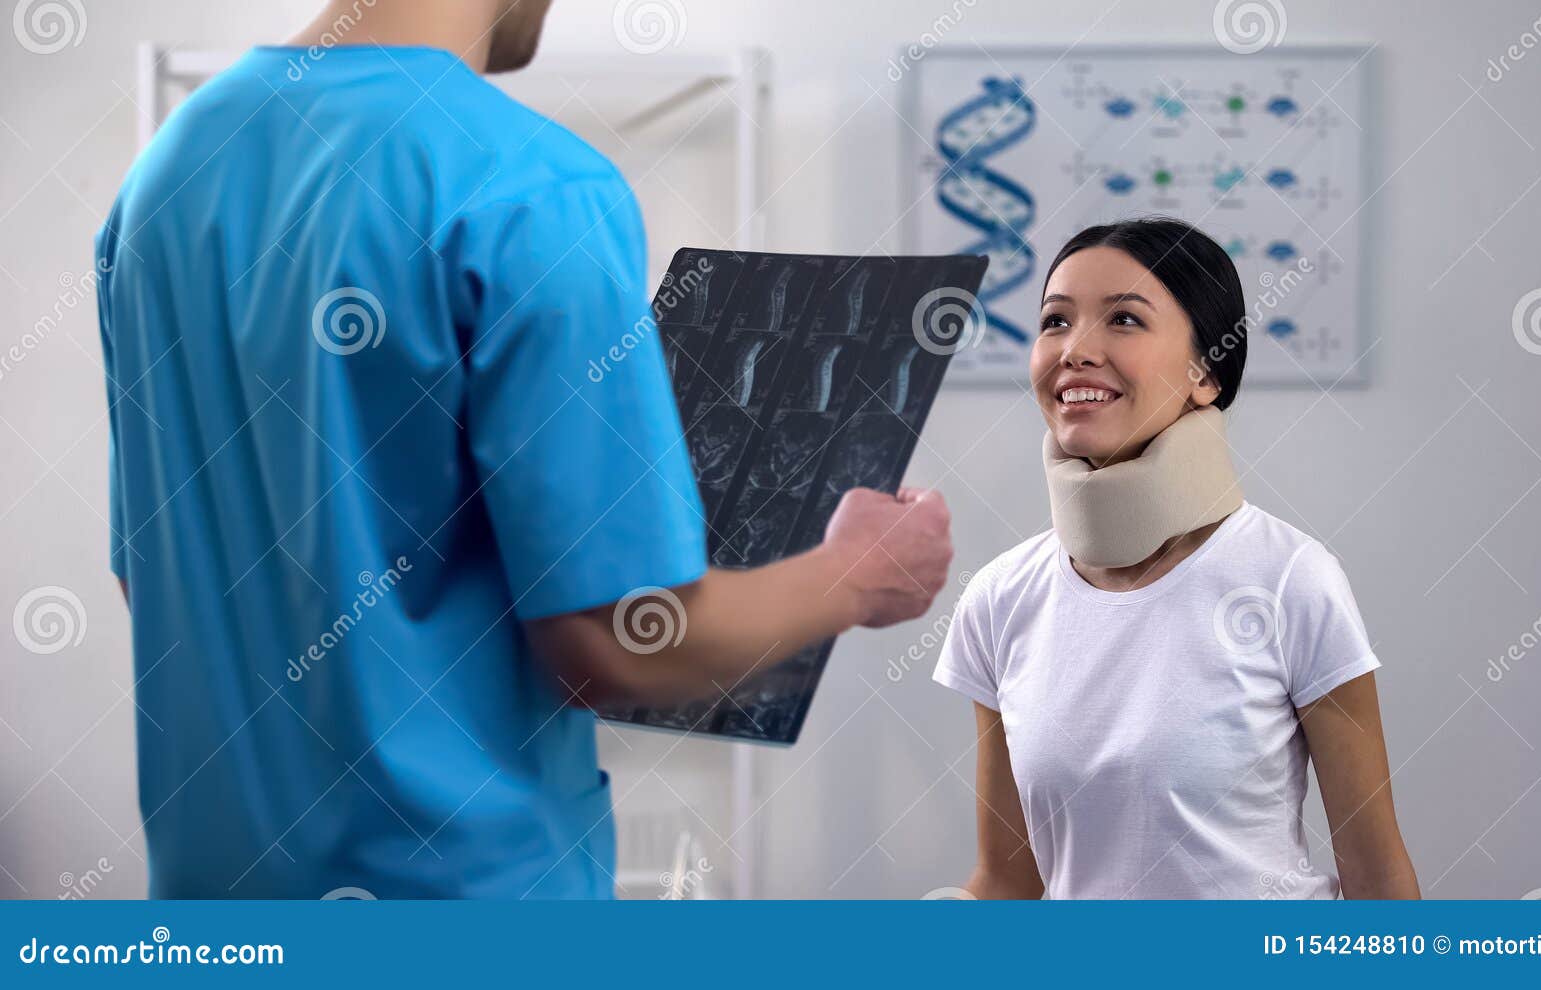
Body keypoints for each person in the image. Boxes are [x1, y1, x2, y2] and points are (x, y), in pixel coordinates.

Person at [95, 0, 952, 898]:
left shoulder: (165, 174)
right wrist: (855, 573)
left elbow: (152, 583)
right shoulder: (531, 187)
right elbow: (618, 645)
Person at [933, 217, 1418, 899]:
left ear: (1205, 374)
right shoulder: (1000, 597)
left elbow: (1377, 878)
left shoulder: (1289, 580)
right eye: (1055, 321)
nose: (1075, 349)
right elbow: (1007, 881)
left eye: (1124, 320)